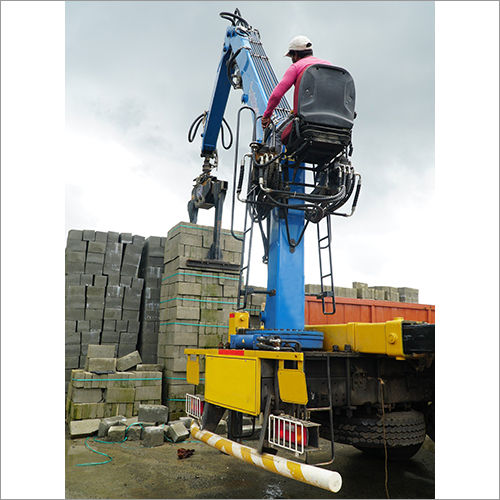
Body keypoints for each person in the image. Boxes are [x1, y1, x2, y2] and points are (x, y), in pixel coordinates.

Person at [261, 35, 332, 143]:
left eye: (291, 56)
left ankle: (276, 160)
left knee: (275, 136)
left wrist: (267, 116)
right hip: (332, 121)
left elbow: (276, 95)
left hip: (306, 119)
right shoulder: (329, 66)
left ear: (296, 54)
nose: (292, 60)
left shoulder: (296, 67)